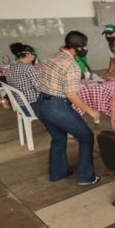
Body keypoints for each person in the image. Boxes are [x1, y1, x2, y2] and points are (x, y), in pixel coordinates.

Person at [36, 31, 101, 186]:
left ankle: (57, 173)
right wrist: (91, 111)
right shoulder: (71, 66)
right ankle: (86, 177)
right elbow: (71, 95)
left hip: (41, 105)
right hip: (57, 107)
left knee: (58, 138)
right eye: (85, 46)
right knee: (86, 137)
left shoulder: (52, 57)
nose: (86, 49)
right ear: (77, 48)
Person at [6, 43, 42, 116]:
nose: (34, 56)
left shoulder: (11, 67)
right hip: (31, 106)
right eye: (33, 54)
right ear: (28, 54)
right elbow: (40, 88)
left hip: (20, 106)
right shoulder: (28, 68)